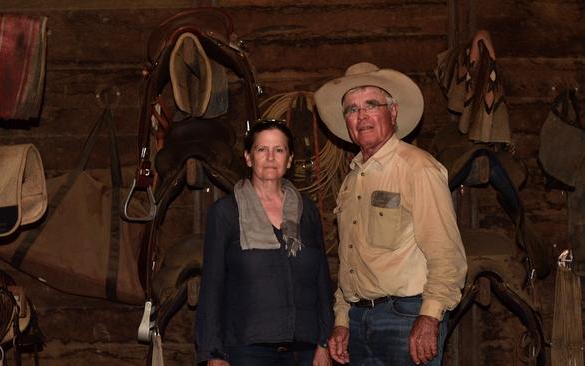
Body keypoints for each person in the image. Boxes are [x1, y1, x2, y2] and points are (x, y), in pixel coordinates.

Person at [314, 62, 468, 366]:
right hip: (359, 321)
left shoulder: (418, 169)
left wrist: (430, 316)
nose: (362, 116)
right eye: (352, 109)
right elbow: (350, 257)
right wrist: (343, 318)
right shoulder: (351, 181)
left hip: (407, 317)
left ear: (393, 112)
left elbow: (446, 252)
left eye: (372, 104)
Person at [195, 119, 334, 366]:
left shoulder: (307, 211)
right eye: (262, 149)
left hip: (304, 349)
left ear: (289, 160)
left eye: (279, 150)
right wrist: (213, 353)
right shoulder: (227, 212)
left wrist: (324, 341)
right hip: (246, 349)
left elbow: (321, 280)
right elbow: (212, 286)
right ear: (248, 158)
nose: (270, 157)